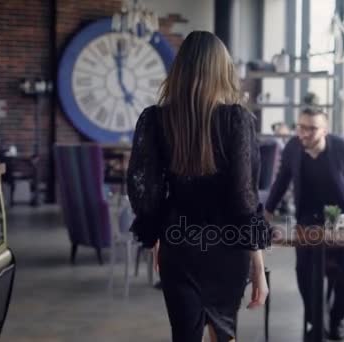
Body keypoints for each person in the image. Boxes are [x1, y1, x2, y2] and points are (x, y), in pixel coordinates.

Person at [127, 31, 271, 342]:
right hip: (228, 249)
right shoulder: (237, 120)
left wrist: (157, 236)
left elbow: (144, 190)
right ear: (222, 70)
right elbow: (244, 199)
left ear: (180, 69)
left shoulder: (155, 119)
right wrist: (258, 264)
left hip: (179, 246)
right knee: (224, 335)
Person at [264, 107, 344, 340]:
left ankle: (336, 320)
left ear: (325, 131)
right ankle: (313, 319)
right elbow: (282, 180)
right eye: (301, 127)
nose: (304, 133)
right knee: (303, 270)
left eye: (312, 128)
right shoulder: (293, 149)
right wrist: (267, 210)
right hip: (309, 217)